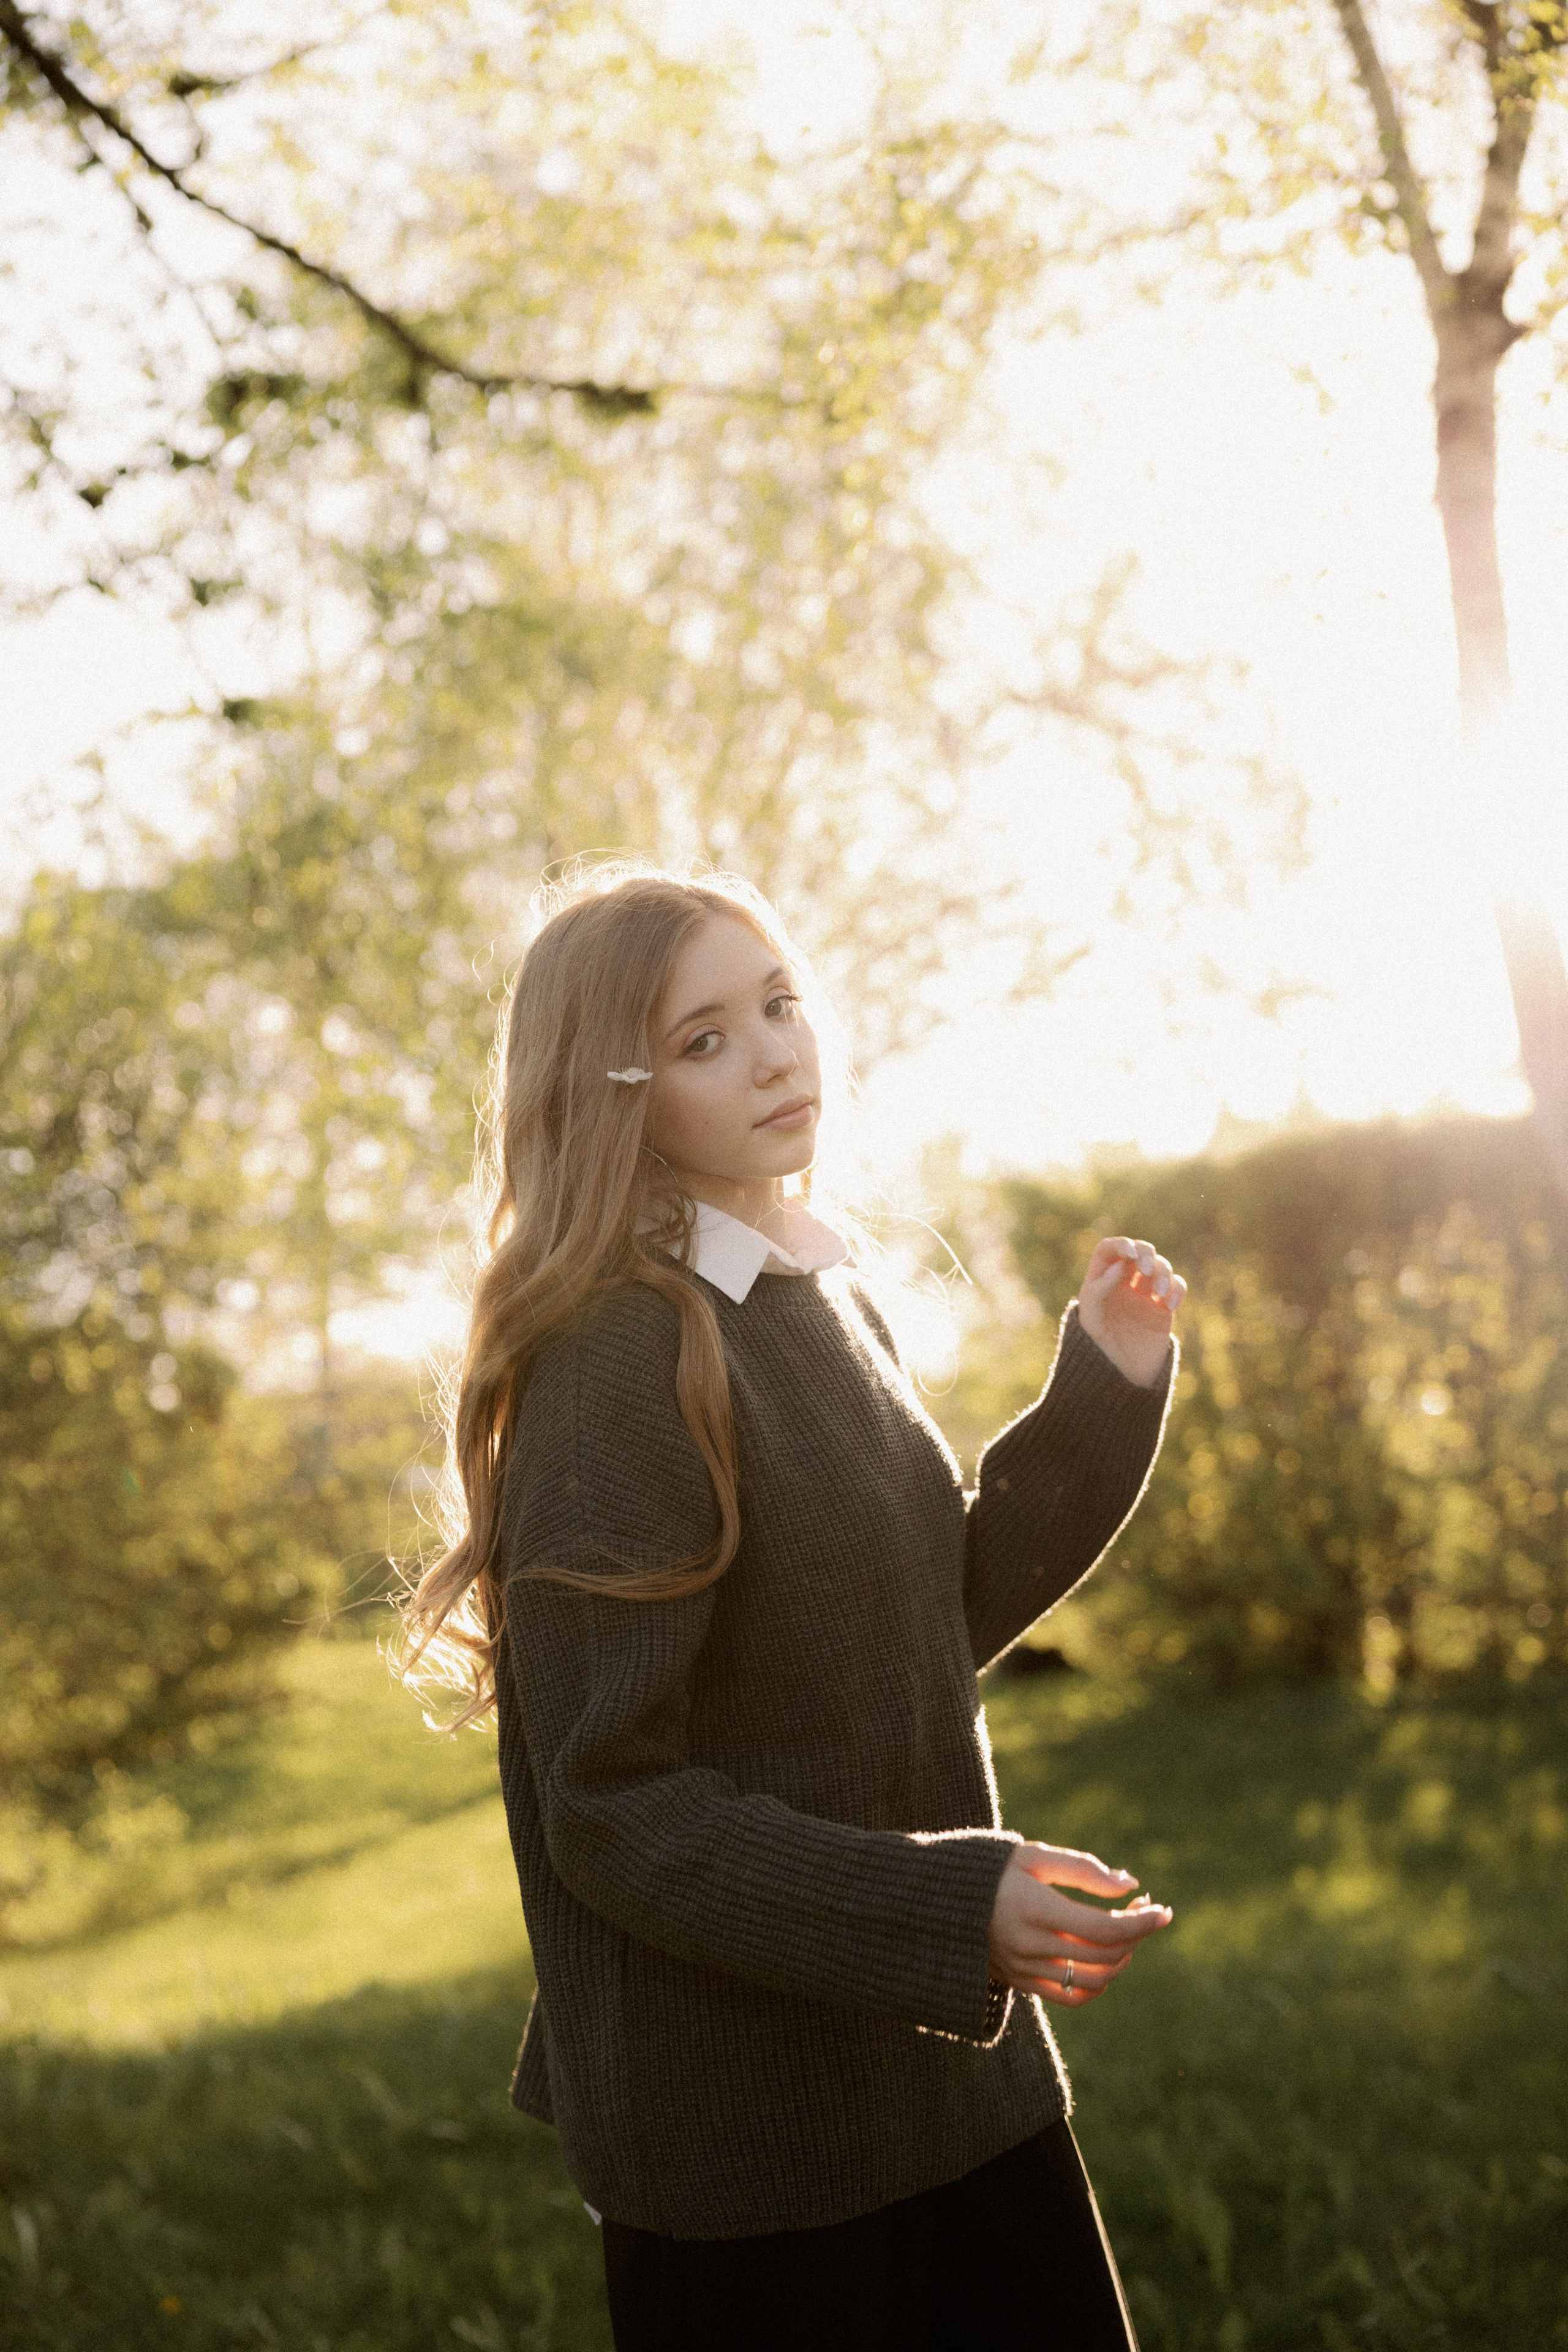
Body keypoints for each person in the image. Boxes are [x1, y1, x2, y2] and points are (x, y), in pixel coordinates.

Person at [399, 864, 1186, 2351]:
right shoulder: (621, 1359)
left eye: (777, 1003)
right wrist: (951, 1907)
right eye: (701, 1038)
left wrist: (1099, 1394)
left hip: (949, 2083)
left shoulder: (805, 1288)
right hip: (764, 2161)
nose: (772, 1051)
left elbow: (910, 1622)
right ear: (611, 1095)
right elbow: (611, 1805)